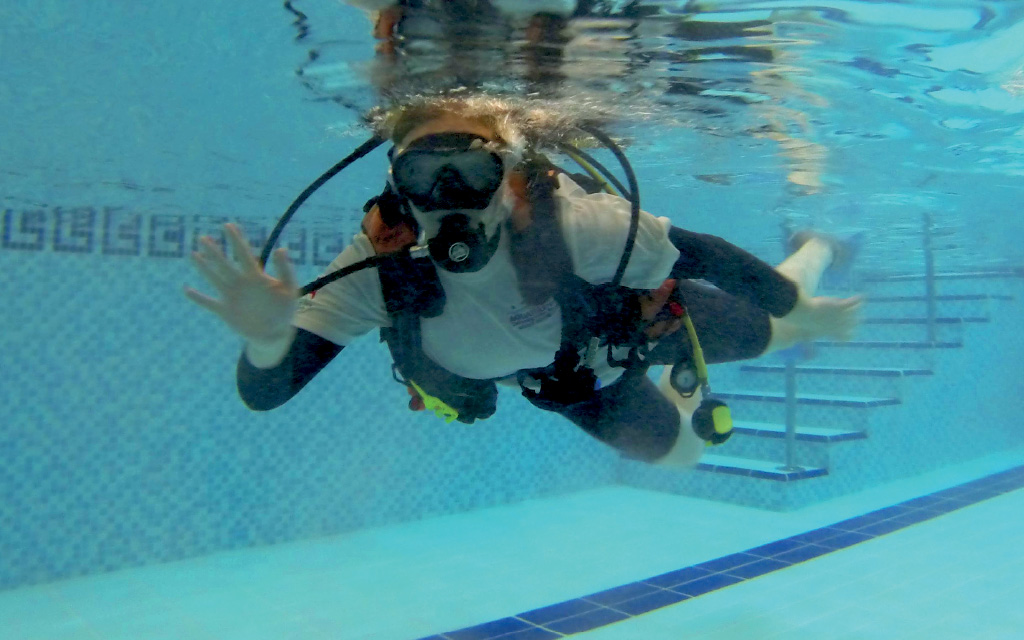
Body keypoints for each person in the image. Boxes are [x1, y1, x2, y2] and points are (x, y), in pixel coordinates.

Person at [184, 95, 860, 468]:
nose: (447, 198)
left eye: (470, 173)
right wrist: (273, 336)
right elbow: (265, 391)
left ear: (509, 178)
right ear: (396, 185)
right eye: (424, 176)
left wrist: (797, 299)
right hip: (576, 387)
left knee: (783, 329)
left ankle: (818, 250)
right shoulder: (380, 265)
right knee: (680, 453)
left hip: (633, 328)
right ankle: (688, 387)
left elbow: (711, 256)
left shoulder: (577, 229)